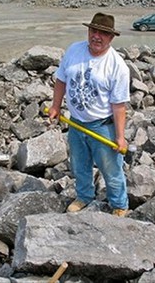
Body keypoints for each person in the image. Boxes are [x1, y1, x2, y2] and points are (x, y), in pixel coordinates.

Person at [47, 12, 130, 217]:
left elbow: (119, 105)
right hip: (75, 123)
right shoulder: (74, 50)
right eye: (94, 30)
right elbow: (61, 80)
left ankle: (120, 205)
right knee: (79, 165)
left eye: (103, 33)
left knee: (111, 169)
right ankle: (84, 196)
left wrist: (120, 137)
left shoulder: (117, 66)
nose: (97, 36)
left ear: (111, 38)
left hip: (101, 126)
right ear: (88, 31)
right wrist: (56, 106)